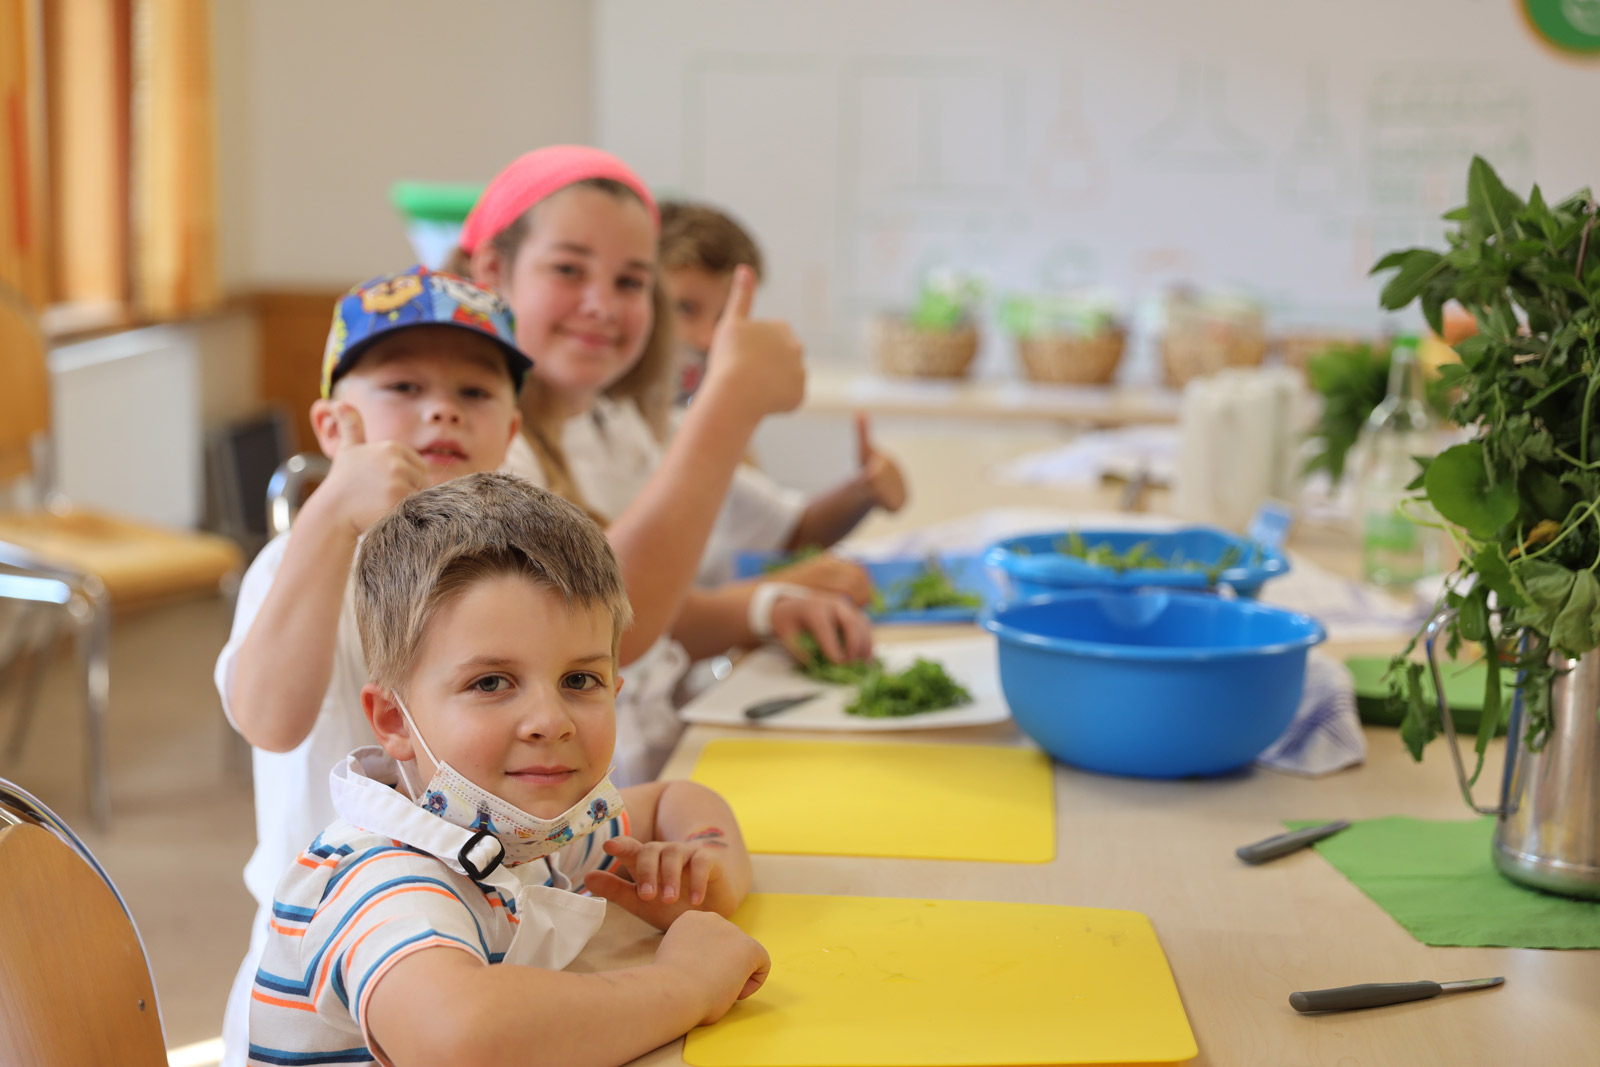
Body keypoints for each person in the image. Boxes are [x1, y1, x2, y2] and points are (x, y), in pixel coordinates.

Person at [247, 472, 769, 1067]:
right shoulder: (382, 878)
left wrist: (701, 870)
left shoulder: (523, 833)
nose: (550, 721)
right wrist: (686, 985)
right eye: (490, 683)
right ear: (393, 720)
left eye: (580, 680)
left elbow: (679, 798)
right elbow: (460, 1042)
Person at [449, 146, 874, 780]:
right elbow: (601, 629)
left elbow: (662, 606)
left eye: (630, 282)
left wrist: (764, 610)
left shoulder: (611, 423)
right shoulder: (477, 453)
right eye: (569, 269)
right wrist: (728, 406)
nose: (602, 303)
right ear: (491, 273)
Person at [213, 266, 536, 1067]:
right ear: (333, 425)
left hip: (483, 936)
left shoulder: (518, 575)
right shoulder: (304, 560)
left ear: (513, 431)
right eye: (403, 384)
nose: (442, 407)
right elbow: (268, 717)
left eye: (475, 390)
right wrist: (328, 514)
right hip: (325, 967)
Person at [658, 200, 909, 574]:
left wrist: (864, 491)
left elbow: (786, 531)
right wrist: (763, 606)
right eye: (685, 309)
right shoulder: (616, 433)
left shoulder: (687, 425)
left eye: (726, 316)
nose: (709, 339)